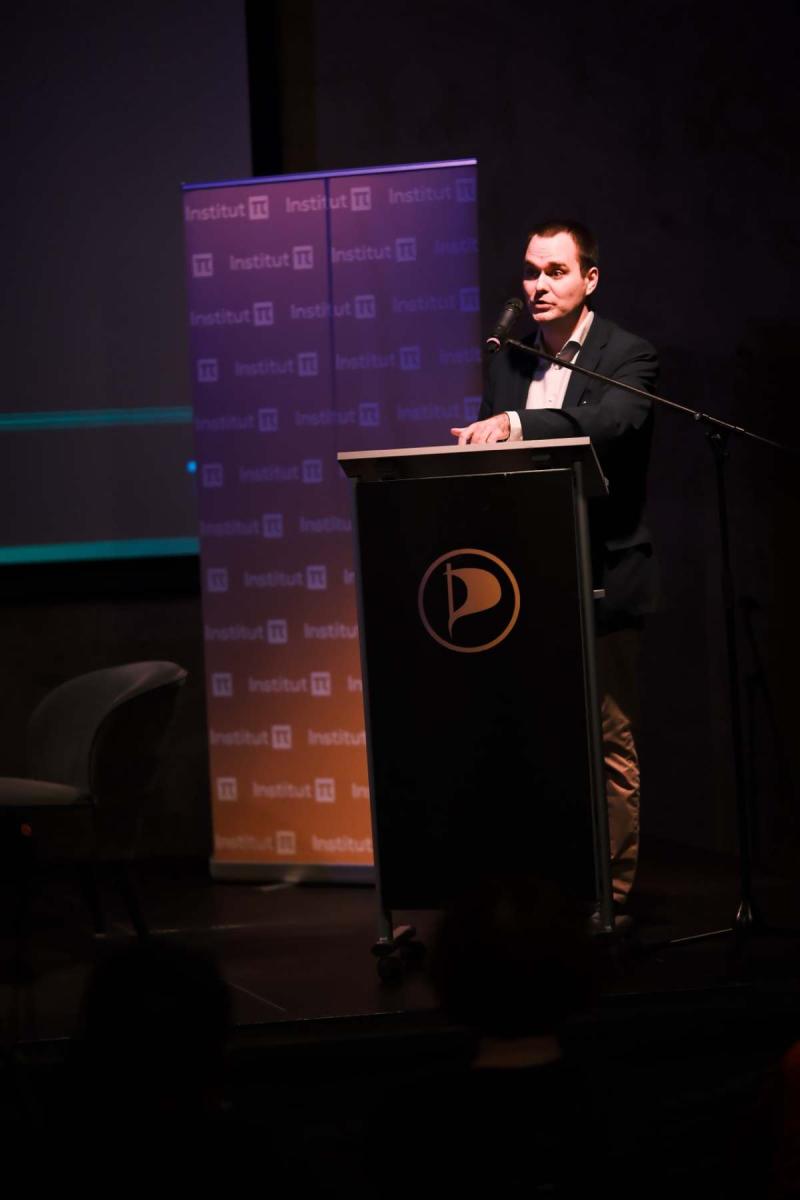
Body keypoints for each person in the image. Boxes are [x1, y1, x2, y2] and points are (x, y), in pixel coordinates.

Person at [451, 220, 659, 915]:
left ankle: (612, 901)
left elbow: (614, 425)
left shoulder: (627, 354)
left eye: (556, 271)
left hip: (602, 573)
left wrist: (515, 426)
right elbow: (488, 444)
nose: (538, 285)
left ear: (589, 279)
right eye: (531, 271)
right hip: (522, 581)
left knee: (608, 743)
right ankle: (546, 896)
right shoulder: (508, 360)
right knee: (531, 741)